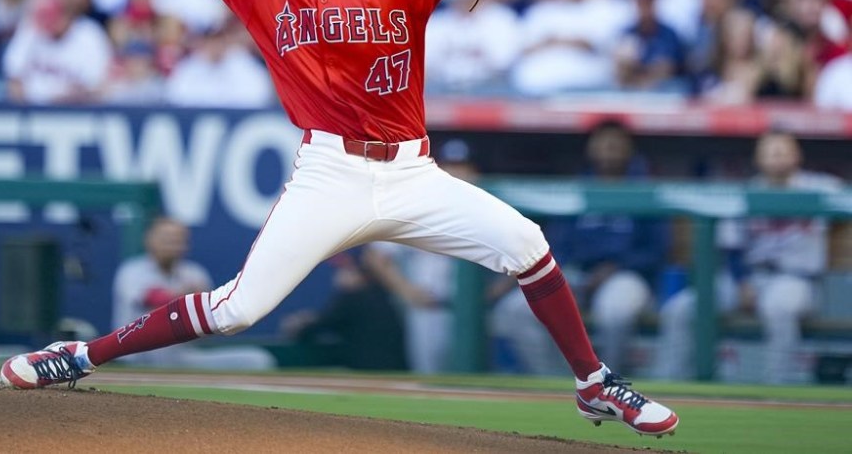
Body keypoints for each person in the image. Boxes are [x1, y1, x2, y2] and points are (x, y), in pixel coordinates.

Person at [0, 0, 678, 438]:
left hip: (413, 172)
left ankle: (593, 382)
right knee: (239, 308)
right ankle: (80, 355)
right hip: (331, 172)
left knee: (527, 243)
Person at [658, 130, 843, 384]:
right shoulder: (748, 192)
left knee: (778, 307)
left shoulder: (822, 187)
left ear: (797, 156)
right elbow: (731, 248)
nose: (777, 157)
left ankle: (780, 390)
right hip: (747, 278)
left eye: (783, 150)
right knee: (680, 309)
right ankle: (673, 385)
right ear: (758, 160)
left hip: (796, 280)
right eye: (770, 151)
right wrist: (743, 282)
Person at [490, 119, 669, 376]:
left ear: (630, 150)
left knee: (614, 311)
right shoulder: (575, 188)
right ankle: (559, 383)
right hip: (577, 273)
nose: (608, 149)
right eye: (603, 143)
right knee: (516, 309)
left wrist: (618, 266)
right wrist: (566, 271)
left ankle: (609, 387)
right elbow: (556, 244)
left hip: (626, 275)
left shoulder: (646, 189)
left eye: (616, 144)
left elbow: (657, 250)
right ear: (591, 148)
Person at [361, 139, 479, 374]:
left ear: (475, 172)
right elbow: (376, 257)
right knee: (429, 379)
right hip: (430, 309)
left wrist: (489, 296)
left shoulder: (488, 207)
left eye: (463, 166)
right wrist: (406, 290)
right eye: (450, 165)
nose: (456, 172)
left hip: (472, 311)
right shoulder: (419, 206)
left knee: (475, 379)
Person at [112, 217, 276, 371]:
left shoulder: (194, 273)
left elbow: (211, 323)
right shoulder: (132, 271)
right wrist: (190, 296)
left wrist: (201, 310)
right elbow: (155, 299)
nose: (171, 244)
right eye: (165, 238)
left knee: (258, 359)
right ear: (149, 240)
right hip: (136, 355)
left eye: (177, 240)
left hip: (180, 355)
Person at [282, 250, 407, 371]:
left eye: (345, 270)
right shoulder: (379, 295)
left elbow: (321, 325)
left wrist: (299, 327)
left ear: (359, 274)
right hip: (394, 365)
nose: (338, 275)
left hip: (370, 368)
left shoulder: (354, 297)